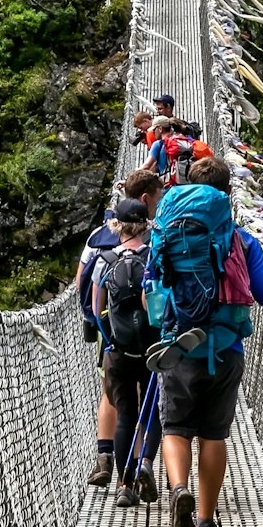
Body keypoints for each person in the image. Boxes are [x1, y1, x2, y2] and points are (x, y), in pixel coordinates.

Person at [153, 156, 263, 527]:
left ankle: (178, 491)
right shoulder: (243, 241)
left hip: (179, 346)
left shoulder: (167, 232)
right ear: (229, 194)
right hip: (227, 348)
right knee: (214, 435)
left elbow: (152, 292)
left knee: (175, 429)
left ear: (187, 185)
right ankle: (207, 523)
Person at [77, 168, 164, 485]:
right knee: (144, 396)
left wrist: (95, 321)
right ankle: (142, 462)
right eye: (157, 199)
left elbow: (82, 283)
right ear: (145, 203)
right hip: (150, 338)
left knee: (113, 394)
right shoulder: (155, 244)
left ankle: (106, 458)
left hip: (112, 333)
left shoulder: (97, 238)